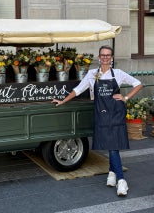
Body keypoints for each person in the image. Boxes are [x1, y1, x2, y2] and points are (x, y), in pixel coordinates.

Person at [52, 45, 143, 196]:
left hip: (115, 113)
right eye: (103, 55)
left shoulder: (118, 73)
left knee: (113, 146)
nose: (105, 57)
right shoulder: (93, 74)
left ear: (112, 58)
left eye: (108, 55)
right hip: (101, 113)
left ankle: (121, 181)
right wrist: (63, 101)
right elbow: (79, 89)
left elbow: (138, 84)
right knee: (110, 144)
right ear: (99, 57)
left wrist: (126, 97)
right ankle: (112, 174)